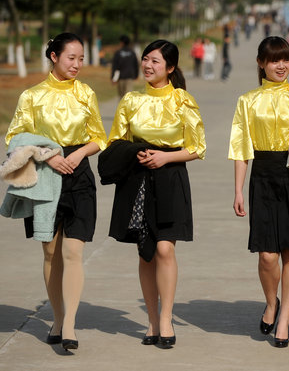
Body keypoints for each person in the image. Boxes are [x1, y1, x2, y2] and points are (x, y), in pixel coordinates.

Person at [4, 32, 107, 351]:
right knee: (50, 253)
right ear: (54, 57)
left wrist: (76, 155)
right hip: (44, 178)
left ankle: (70, 327)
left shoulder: (86, 93)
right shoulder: (31, 96)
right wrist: (51, 155)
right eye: (71, 58)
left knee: (73, 251)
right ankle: (58, 318)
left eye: (81, 59)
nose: (77, 65)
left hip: (79, 177)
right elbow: (14, 138)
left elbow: (99, 137)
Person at [100, 40, 206, 347]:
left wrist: (164, 157)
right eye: (146, 59)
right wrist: (137, 153)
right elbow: (116, 141)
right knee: (145, 252)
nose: (148, 65)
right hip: (137, 180)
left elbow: (197, 147)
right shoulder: (131, 100)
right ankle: (151, 321)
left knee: (164, 249)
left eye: (156, 61)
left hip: (170, 178)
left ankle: (166, 318)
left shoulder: (183, 100)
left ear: (170, 68)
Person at [228, 36, 289, 348]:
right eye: (274, 60)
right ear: (261, 63)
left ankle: (285, 319)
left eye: (286, 59)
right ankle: (271, 302)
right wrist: (238, 190)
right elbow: (241, 148)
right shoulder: (247, 100)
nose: (281, 66)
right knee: (267, 255)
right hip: (262, 176)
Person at [111, 35, 140, 99]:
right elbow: (136, 64)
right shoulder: (132, 53)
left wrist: (113, 78)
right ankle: (126, 108)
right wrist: (136, 75)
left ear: (122, 43)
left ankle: (122, 108)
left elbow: (114, 66)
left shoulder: (118, 53)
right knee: (128, 96)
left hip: (120, 77)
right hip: (129, 77)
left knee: (121, 97)